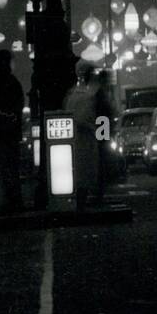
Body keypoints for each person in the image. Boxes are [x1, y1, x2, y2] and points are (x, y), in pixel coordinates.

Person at [62, 60, 115, 208]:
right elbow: (102, 116)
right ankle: (95, 196)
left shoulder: (77, 94)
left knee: (87, 169)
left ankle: (91, 196)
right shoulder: (92, 94)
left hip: (89, 136)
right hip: (92, 136)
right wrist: (103, 136)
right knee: (93, 168)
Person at [0, 49, 25, 212]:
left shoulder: (4, 82)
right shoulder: (10, 81)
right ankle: (13, 200)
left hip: (5, 134)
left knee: (8, 169)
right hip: (9, 133)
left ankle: (13, 201)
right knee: (10, 169)